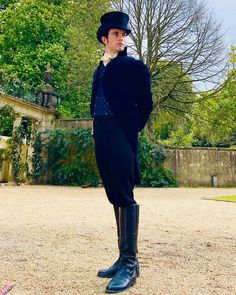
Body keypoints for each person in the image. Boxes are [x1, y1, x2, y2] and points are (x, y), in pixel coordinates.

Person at [90, 11, 153, 294]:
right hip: (101, 134)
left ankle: (130, 263)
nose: (121, 38)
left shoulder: (133, 67)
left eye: (123, 34)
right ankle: (121, 257)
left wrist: (130, 128)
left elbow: (146, 104)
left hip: (121, 135)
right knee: (113, 193)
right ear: (105, 38)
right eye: (116, 34)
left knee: (125, 194)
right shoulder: (99, 68)